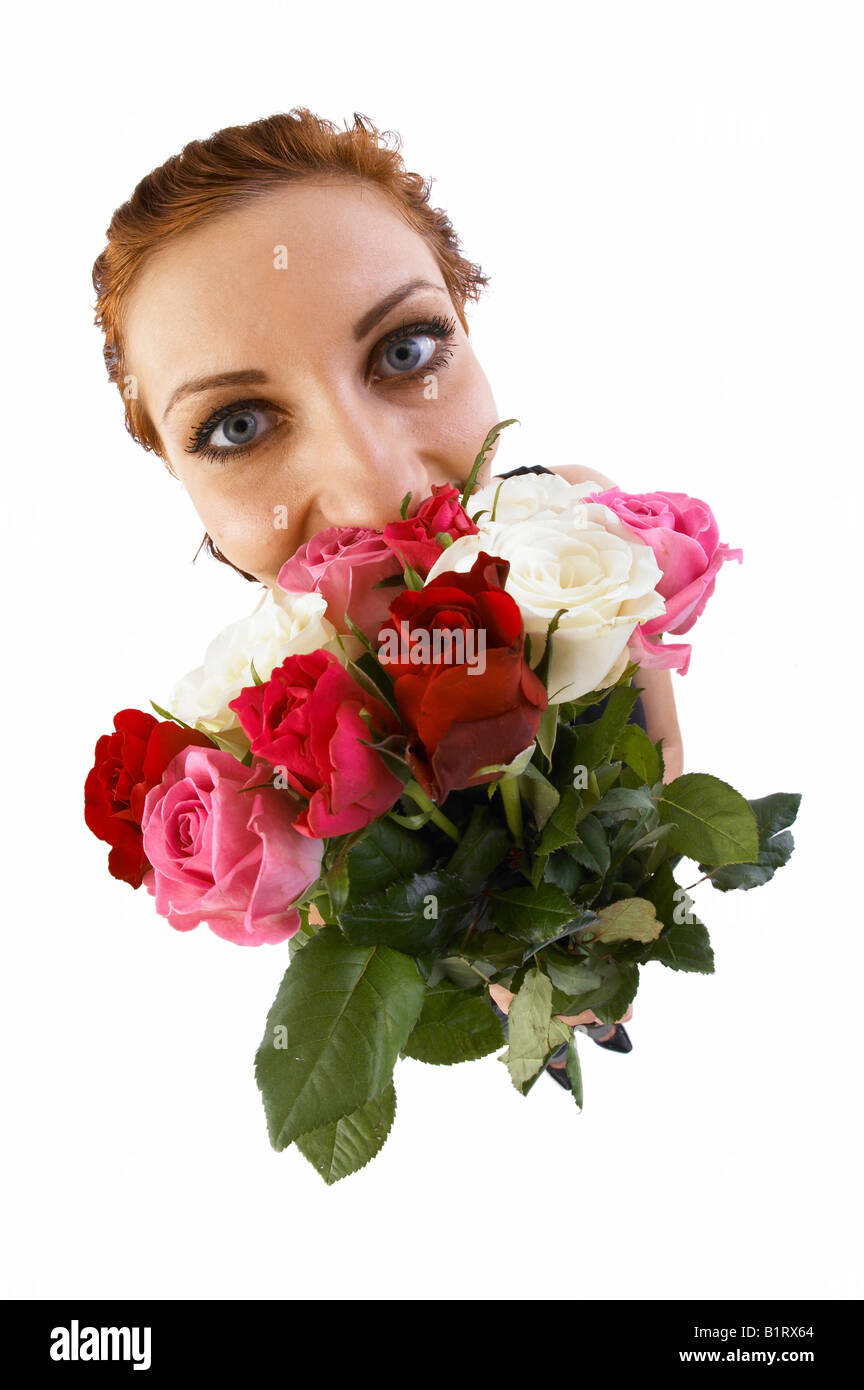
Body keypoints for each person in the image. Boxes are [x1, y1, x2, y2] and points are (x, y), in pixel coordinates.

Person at [91, 108, 683, 1083]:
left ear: (468, 316)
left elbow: (655, 763)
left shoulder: (589, 537)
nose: (376, 491)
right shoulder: (246, 734)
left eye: (405, 351)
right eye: (238, 425)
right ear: (174, 474)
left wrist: (578, 912)